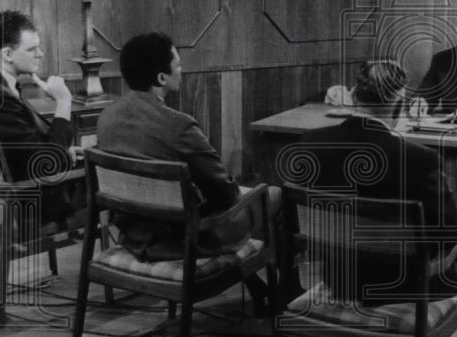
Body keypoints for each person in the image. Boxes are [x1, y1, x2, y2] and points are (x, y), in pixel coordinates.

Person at [300, 59, 457, 337]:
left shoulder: (310, 144)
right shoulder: (419, 159)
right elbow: (451, 235)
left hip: (340, 278)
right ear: (399, 103)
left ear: (354, 95)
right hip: (408, 285)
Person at [95, 33, 302, 303]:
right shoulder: (179, 126)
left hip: (134, 235)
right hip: (184, 240)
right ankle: (289, 292)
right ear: (161, 78)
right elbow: (226, 194)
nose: (182, 70)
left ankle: (257, 288)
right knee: (275, 196)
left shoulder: (106, 117)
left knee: (222, 200)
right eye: (178, 65)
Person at [0, 10, 78, 226]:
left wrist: (62, 150)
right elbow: (47, 164)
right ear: (7, 54)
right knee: (110, 181)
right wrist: (63, 103)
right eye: (32, 49)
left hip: (9, 188)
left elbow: (19, 144)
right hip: (31, 200)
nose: (40, 54)